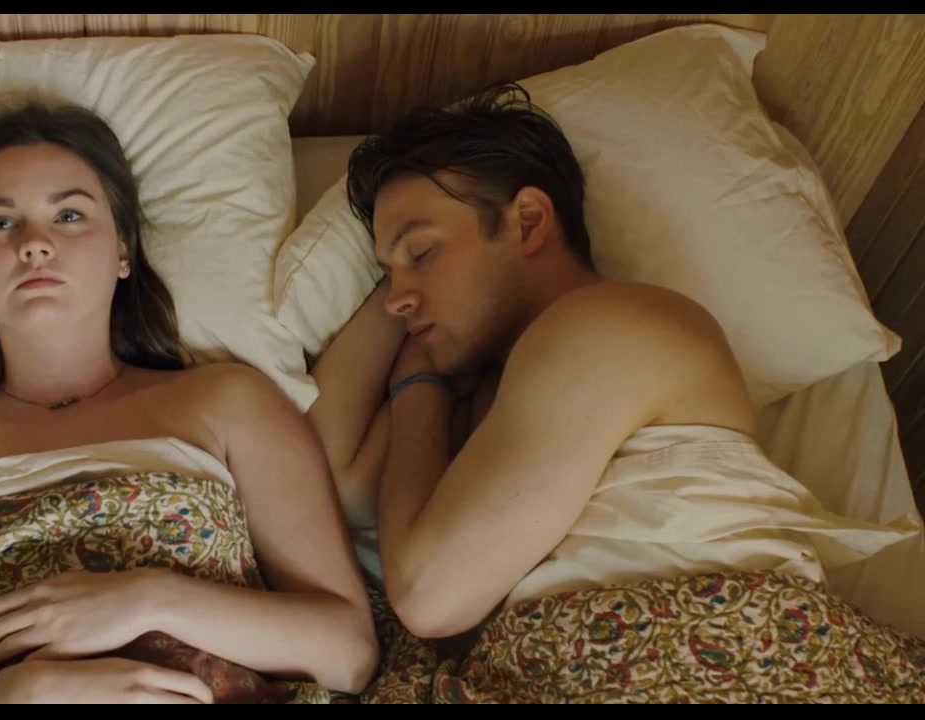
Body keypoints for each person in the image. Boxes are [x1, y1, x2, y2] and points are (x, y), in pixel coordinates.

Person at [0, 98, 378, 703]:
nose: (34, 244)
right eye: (0, 223)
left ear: (122, 253)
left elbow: (347, 653)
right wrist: (15, 694)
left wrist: (149, 599)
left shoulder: (229, 403)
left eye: (69, 215)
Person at [306, 80, 828, 641]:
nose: (394, 300)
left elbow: (428, 596)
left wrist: (419, 389)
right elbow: (335, 476)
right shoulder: (495, 394)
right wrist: (419, 346)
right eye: (386, 274)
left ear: (529, 221)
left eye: (423, 252)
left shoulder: (613, 326)